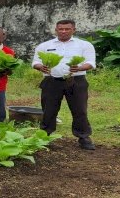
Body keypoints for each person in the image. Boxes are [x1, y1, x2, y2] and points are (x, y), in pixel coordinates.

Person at [32, 19, 97, 150]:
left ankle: (84, 137)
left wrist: (79, 68)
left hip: (76, 81)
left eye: (67, 29)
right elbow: (35, 62)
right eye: (60, 29)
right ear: (56, 30)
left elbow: (91, 63)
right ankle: (45, 136)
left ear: (74, 30)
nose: (63, 31)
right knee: (49, 110)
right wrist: (41, 67)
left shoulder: (84, 45)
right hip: (52, 81)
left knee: (80, 110)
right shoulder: (44, 45)